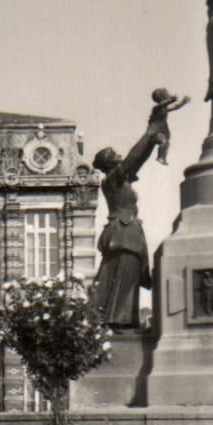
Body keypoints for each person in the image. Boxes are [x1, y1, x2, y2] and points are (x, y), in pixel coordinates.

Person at [90, 108, 166, 328]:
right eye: (113, 153)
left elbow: (138, 159)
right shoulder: (112, 179)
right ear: (108, 162)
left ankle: (122, 321)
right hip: (123, 234)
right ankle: (118, 322)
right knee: (125, 278)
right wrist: (149, 133)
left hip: (126, 233)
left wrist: (151, 139)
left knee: (127, 279)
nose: (118, 154)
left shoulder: (118, 179)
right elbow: (133, 157)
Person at [147, 88, 190, 165]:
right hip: (155, 131)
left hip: (161, 129)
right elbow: (162, 104)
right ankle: (160, 157)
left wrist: (183, 102)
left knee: (166, 143)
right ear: (161, 97)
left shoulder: (164, 108)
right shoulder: (156, 108)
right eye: (166, 93)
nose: (169, 94)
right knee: (164, 141)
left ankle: (162, 157)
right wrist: (171, 100)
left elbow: (175, 107)